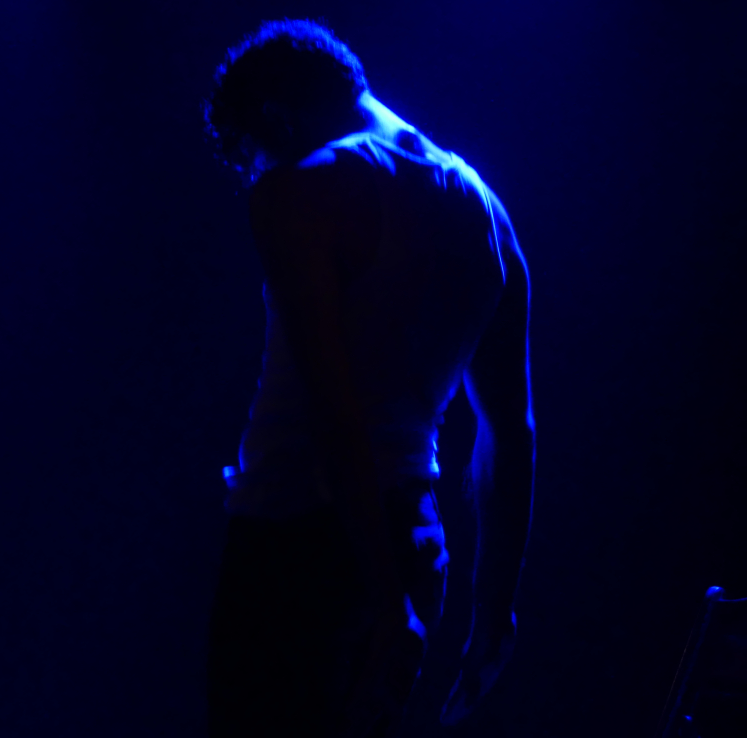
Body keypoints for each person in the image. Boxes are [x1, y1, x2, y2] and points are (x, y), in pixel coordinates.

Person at [204, 20, 535, 737]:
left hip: (295, 540)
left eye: (250, 156)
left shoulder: (301, 191)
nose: (255, 174)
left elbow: (333, 411)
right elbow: (510, 435)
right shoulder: (488, 216)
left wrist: (385, 603)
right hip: (416, 539)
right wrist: (494, 608)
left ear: (275, 119)